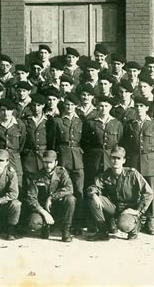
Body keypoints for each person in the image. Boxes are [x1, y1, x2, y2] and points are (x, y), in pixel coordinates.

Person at [86, 146, 154, 241]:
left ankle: (134, 229)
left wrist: (138, 211)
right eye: (113, 158)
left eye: (119, 158)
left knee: (124, 225)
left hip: (129, 209)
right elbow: (94, 187)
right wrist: (94, 194)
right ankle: (102, 232)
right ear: (110, 159)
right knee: (92, 199)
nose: (115, 161)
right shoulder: (106, 174)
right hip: (114, 207)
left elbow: (149, 193)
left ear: (124, 160)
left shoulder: (132, 174)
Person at [120, 96, 154, 235]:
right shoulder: (130, 124)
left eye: (142, 106)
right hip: (134, 161)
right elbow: (126, 144)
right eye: (137, 106)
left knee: (151, 192)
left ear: (147, 108)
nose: (139, 108)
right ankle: (136, 220)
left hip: (150, 161)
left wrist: (153, 159)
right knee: (135, 191)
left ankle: (150, 220)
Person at [51, 92, 84, 234]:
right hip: (62, 158)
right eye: (67, 105)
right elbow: (52, 143)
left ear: (76, 106)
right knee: (59, 190)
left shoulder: (81, 121)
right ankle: (57, 221)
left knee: (78, 191)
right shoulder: (57, 121)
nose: (69, 107)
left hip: (78, 160)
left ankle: (77, 223)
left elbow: (85, 141)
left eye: (72, 105)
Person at [25, 150, 75, 242]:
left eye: (50, 163)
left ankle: (66, 231)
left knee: (71, 199)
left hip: (58, 207)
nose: (48, 165)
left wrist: (52, 197)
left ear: (56, 163)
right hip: (43, 208)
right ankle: (45, 226)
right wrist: (44, 212)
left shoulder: (62, 172)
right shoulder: (36, 176)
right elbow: (30, 198)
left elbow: (69, 188)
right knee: (34, 223)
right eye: (45, 162)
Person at [82, 96, 123, 187]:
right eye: (101, 106)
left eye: (106, 106)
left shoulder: (117, 123)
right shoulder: (90, 123)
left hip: (110, 157)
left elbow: (119, 141)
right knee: (93, 181)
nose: (103, 109)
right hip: (94, 158)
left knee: (110, 181)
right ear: (97, 107)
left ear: (110, 107)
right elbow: (85, 142)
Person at [0, 98, 26, 186]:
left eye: (9, 110)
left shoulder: (19, 125)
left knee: (17, 184)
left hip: (14, 159)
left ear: (13, 111)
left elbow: (22, 143)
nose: (6, 113)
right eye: (3, 110)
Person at [21, 94, 52, 178]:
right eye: (34, 105)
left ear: (43, 105)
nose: (36, 108)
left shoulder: (49, 121)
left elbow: (51, 139)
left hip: (43, 156)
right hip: (29, 156)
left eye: (39, 105)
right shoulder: (25, 121)